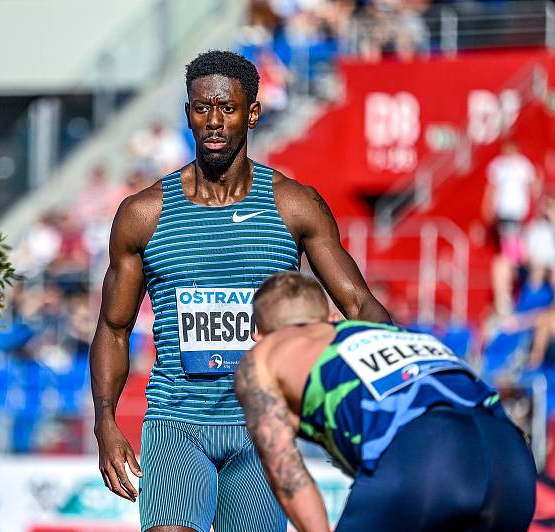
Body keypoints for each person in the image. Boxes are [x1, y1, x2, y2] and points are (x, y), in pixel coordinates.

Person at [90, 50, 389, 532]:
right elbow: (113, 326)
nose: (212, 121)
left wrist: (393, 393)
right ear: (187, 112)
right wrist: (105, 420)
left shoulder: (294, 205)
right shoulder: (143, 214)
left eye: (226, 109)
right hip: (175, 424)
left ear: (251, 113)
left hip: (262, 424)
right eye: (199, 108)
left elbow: (359, 305)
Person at [235, 271, 536, 531]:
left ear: (258, 334)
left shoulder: (263, 355)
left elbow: (285, 469)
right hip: (512, 462)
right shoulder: (386, 332)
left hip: (427, 456)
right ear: (331, 319)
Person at [482, 140, 540, 314]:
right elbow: (491, 189)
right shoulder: (499, 166)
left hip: (518, 212)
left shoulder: (523, 165)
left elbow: (533, 185)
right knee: (509, 248)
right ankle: (513, 265)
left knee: (514, 248)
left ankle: (514, 266)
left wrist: (533, 205)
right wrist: (488, 208)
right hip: (506, 212)